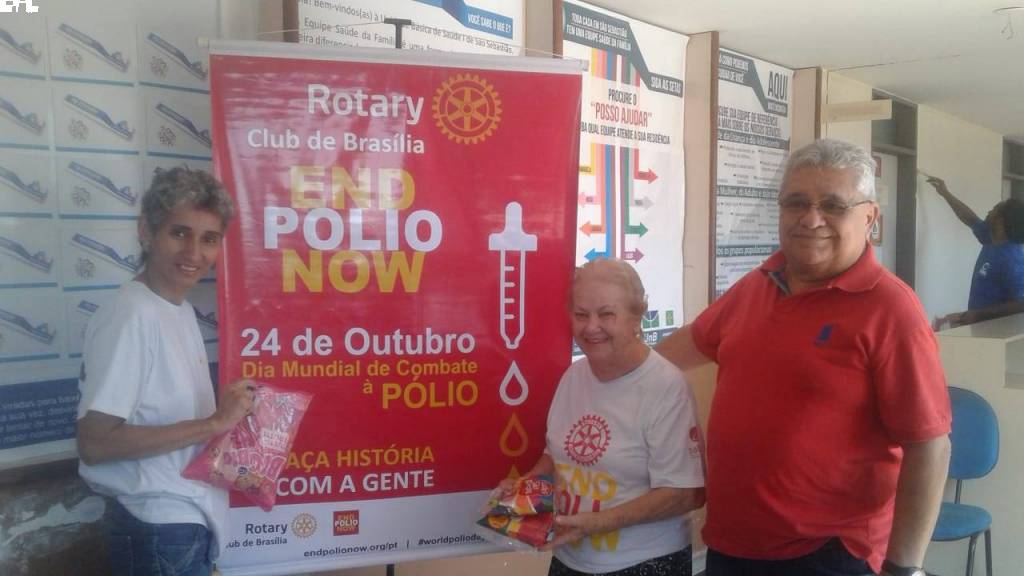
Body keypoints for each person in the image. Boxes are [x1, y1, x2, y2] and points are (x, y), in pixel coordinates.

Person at [656, 139, 951, 576]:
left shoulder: (891, 309)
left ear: (869, 217)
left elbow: (929, 446)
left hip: (829, 554)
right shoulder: (756, 285)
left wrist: (904, 569)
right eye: (796, 203)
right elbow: (670, 356)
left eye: (833, 205)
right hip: (732, 542)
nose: (811, 219)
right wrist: (590, 372)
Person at [76, 167, 254, 576]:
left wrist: (232, 418)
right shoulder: (131, 314)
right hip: (156, 527)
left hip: (180, 527)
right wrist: (214, 423)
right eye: (179, 232)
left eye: (208, 239)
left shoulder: (177, 309)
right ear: (146, 231)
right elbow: (96, 443)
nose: (194, 252)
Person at [505, 258, 705, 576]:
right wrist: (525, 487)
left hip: (644, 563)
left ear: (636, 318)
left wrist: (599, 523)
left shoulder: (665, 387)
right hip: (570, 557)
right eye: (581, 314)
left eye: (606, 314)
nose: (591, 326)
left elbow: (687, 494)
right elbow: (554, 456)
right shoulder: (573, 376)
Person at [924, 176, 1024, 327]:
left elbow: (1020, 304)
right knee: (938, 329)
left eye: (994, 210)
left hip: (994, 332)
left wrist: (978, 315)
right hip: (977, 325)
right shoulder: (991, 239)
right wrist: (945, 193)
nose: (989, 211)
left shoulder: (1012, 258)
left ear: (1000, 220)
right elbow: (970, 218)